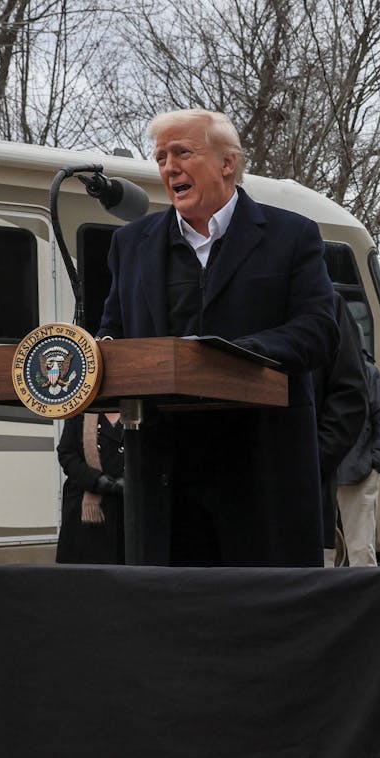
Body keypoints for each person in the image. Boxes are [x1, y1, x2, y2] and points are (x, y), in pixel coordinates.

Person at [98, 108, 339, 567]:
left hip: (260, 471)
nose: (169, 167)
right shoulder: (130, 245)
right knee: (176, 622)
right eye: (161, 156)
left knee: (263, 621)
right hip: (164, 477)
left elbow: (318, 331)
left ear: (228, 163)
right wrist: (100, 359)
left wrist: (225, 359)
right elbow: (113, 333)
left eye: (183, 152)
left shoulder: (292, 236)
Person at [334, 349, 380, 566]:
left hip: (358, 473)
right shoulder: (315, 373)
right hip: (321, 473)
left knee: (361, 550)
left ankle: (365, 599)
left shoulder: (367, 372)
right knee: (323, 552)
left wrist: (374, 466)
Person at [317, 297, 370, 565]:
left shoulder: (368, 372)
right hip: (337, 473)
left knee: (360, 544)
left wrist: (373, 461)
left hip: (352, 471)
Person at [56, 412, 126, 564]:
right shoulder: (79, 412)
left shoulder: (139, 408)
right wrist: (95, 480)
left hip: (128, 507)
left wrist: (131, 479)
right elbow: (66, 454)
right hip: (85, 508)